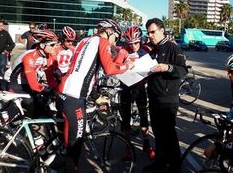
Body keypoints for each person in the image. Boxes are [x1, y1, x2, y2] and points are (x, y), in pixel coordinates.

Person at [55, 19, 133, 172]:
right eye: (115, 37)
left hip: (64, 92)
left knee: (68, 137)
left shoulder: (84, 40)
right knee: (75, 145)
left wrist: (96, 96)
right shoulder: (102, 41)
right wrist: (127, 66)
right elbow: (110, 69)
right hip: (74, 98)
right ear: (109, 31)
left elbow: (87, 72)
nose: (114, 41)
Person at [143, 18, 187, 173]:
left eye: (153, 32)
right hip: (154, 97)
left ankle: (175, 167)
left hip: (167, 100)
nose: (150, 35)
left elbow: (183, 70)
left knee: (169, 136)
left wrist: (167, 67)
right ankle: (159, 164)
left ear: (162, 30)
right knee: (158, 134)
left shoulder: (173, 48)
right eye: (148, 32)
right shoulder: (153, 49)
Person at [118, 26, 155, 159]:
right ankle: (127, 147)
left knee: (144, 118)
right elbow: (115, 67)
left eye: (136, 42)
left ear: (141, 40)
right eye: (130, 43)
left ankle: (146, 144)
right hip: (126, 89)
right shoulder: (123, 51)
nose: (133, 46)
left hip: (139, 89)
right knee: (126, 119)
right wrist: (123, 63)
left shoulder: (146, 50)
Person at [7, 30, 59, 117]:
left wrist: (60, 89)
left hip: (27, 82)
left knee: (41, 107)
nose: (55, 47)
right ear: (42, 45)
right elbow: (34, 85)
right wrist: (51, 91)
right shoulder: (29, 56)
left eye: (56, 44)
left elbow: (50, 79)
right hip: (14, 82)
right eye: (52, 45)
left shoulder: (48, 56)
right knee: (31, 105)